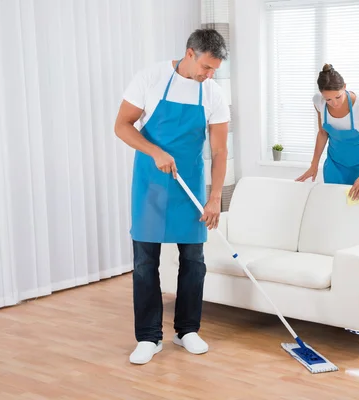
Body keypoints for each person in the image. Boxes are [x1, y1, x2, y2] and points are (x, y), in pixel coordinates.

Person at [113, 29, 230, 365]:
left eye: (214, 70)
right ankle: (149, 337)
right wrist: (154, 152)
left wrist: (214, 198)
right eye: (206, 67)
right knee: (144, 263)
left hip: (190, 184)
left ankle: (187, 330)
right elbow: (122, 126)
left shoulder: (212, 93)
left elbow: (220, 151)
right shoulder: (150, 78)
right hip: (150, 182)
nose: (209, 75)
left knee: (194, 261)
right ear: (189, 53)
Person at [296, 64, 359, 200]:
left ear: (344, 87)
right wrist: (314, 164)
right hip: (335, 164)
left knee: (358, 208)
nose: (334, 103)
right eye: (328, 99)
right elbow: (323, 133)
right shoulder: (319, 102)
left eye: (338, 97)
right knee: (335, 206)